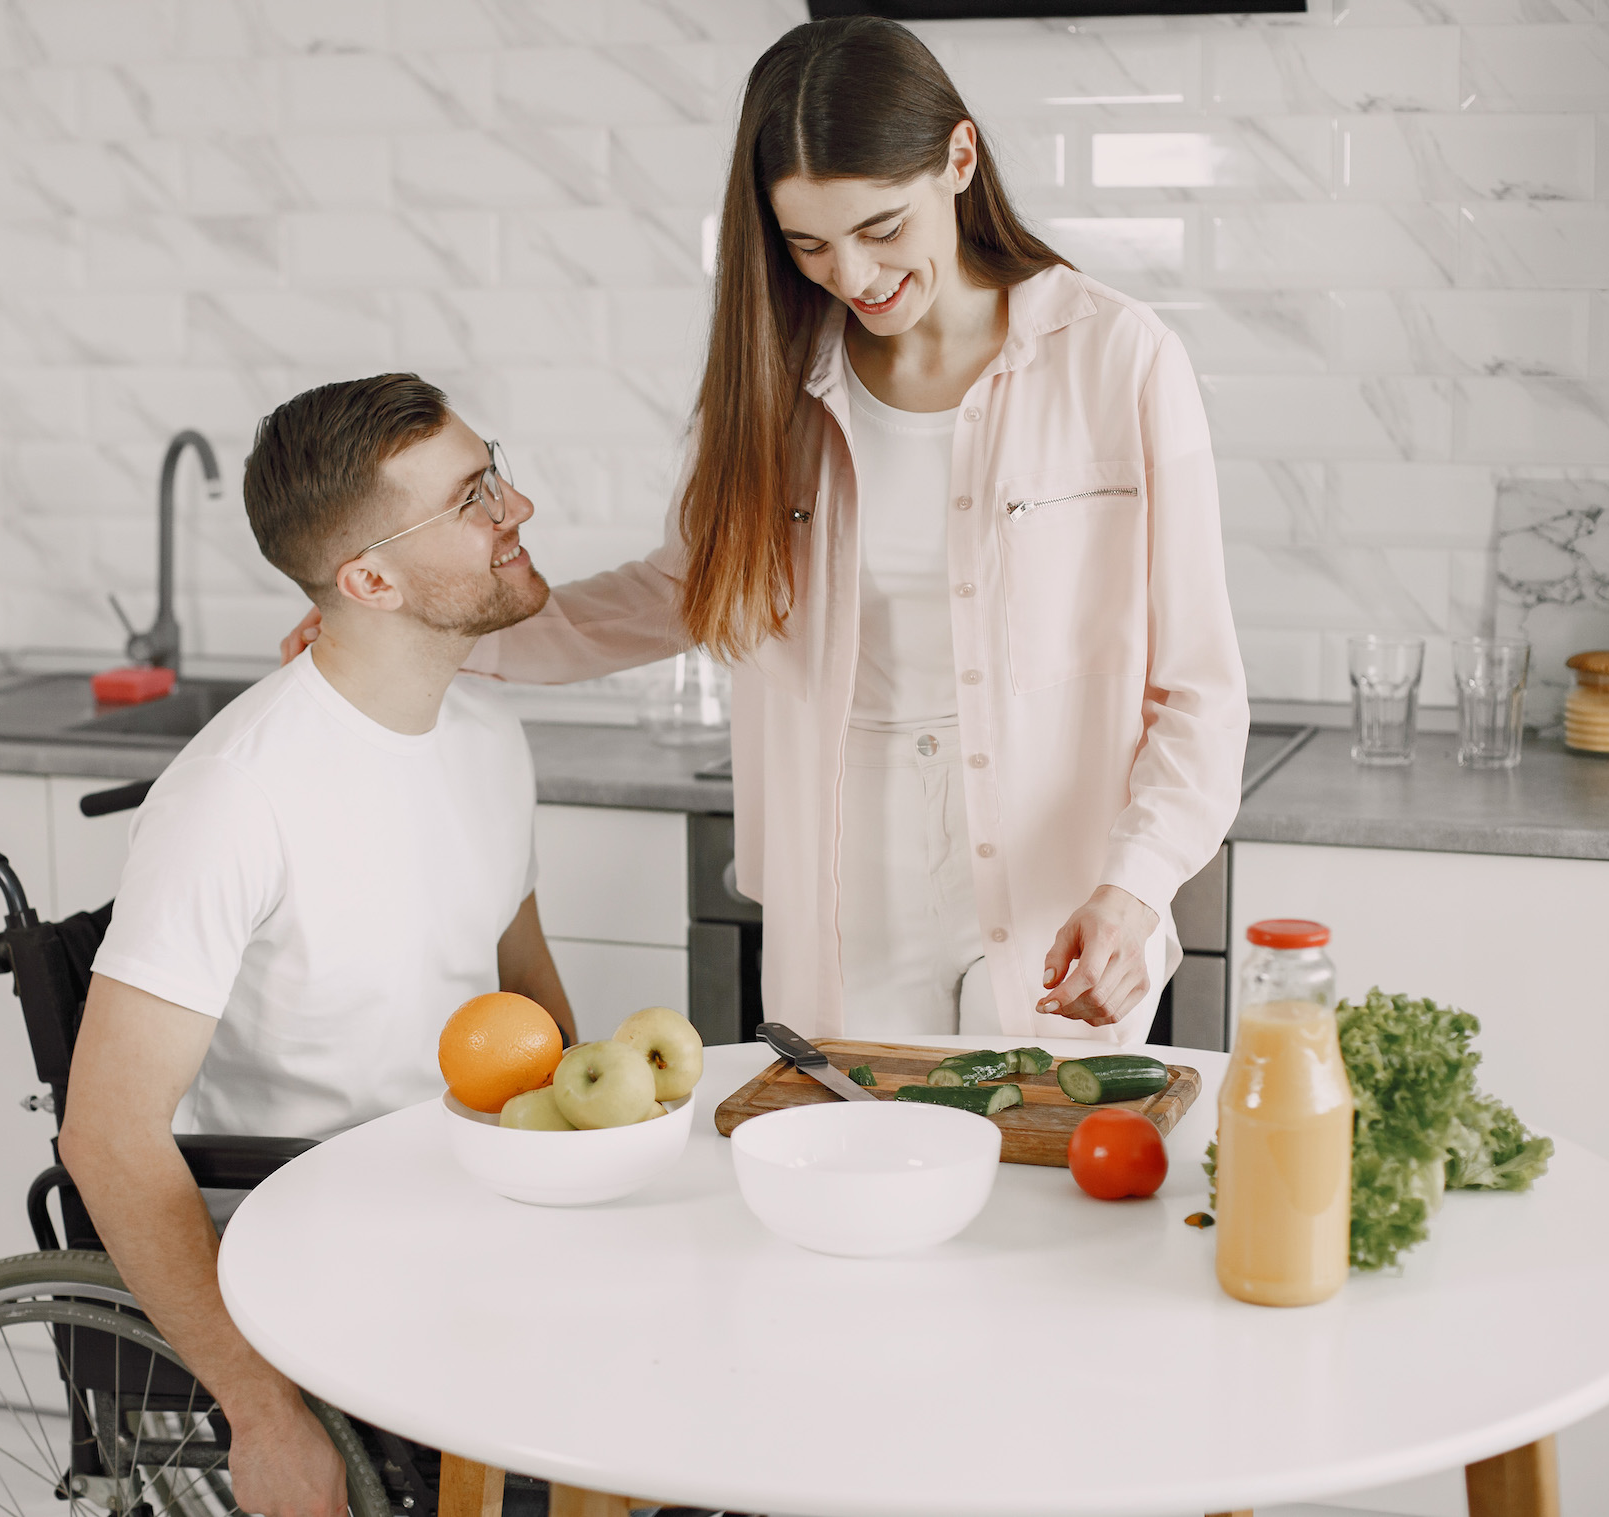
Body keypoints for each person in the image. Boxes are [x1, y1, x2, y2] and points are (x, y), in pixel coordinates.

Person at [282, 15, 1248, 1046]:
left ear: (959, 158)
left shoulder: (1121, 361)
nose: (855, 276)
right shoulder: (773, 388)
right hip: (844, 878)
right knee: (861, 1178)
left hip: (1067, 875)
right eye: (810, 244)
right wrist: (439, 635)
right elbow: (679, 592)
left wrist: (1136, 886)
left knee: (1050, 1183)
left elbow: (1198, 687)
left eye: (882, 228)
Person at [60, 373, 572, 1517]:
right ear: (371, 579)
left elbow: (527, 993)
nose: (519, 507)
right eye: (475, 496)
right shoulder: (237, 796)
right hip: (314, 1240)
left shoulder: (489, 740)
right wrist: (262, 1408)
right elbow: (104, 1129)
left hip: (466, 1197)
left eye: (495, 470)